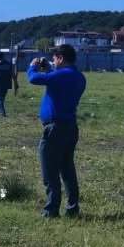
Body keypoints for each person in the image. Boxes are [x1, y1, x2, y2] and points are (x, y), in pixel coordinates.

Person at [28, 45, 86, 218]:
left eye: (54, 59)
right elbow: (58, 82)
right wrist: (50, 69)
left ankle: (51, 210)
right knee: (67, 169)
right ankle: (72, 208)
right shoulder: (79, 77)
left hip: (55, 128)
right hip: (70, 127)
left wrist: (32, 66)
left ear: (60, 58)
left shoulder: (61, 75)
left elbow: (34, 79)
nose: (53, 61)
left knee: (49, 170)